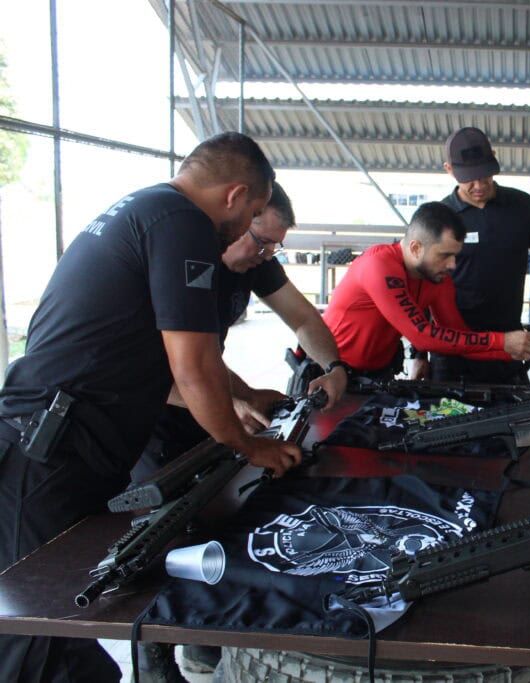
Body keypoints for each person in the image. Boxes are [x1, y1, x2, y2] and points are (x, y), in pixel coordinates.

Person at [0, 132, 302, 681]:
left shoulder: (148, 209)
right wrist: (247, 445)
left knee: (70, 611)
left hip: (58, 437)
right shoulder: (183, 222)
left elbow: (171, 361)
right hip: (48, 444)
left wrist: (248, 397)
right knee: (42, 625)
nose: (248, 229)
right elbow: (193, 366)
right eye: (255, 212)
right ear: (236, 194)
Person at [133, 181, 348, 681]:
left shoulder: (255, 261)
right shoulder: (185, 257)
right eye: (260, 240)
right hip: (153, 412)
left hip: (202, 401)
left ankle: (201, 638)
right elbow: (170, 371)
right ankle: (153, 655)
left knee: (211, 524)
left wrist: (333, 365)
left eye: (275, 246)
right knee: (156, 538)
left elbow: (301, 317)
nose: (265, 254)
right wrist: (237, 422)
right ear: (233, 220)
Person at [321, 202, 530, 378]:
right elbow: (422, 336)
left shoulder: (437, 278)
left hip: (377, 375)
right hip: (332, 371)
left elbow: (459, 340)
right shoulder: (379, 265)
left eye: (455, 255)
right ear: (416, 248)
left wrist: (513, 350)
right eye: (444, 255)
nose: (452, 265)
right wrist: (502, 341)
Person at [424, 127, 530, 384]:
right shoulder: (439, 217)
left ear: (494, 157)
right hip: (452, 347)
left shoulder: (523, 207)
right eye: (469, 178)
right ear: (449, 169)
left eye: (484, 175)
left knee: (511, 419)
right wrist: (419, 355)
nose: (479, 185)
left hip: (510, 342)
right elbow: (420, 283)